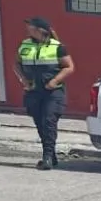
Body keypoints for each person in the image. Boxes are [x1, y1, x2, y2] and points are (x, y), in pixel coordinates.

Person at [16, 17, 74, 170]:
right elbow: (17, 64)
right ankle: (51, 155)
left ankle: (47, 158)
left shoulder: (57, 47)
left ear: (40, 30)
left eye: (31, 26)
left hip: (53, 91)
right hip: (33, 91)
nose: (28, 29)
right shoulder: (25, 45)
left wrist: (54, 81)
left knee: (48, 121)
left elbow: (69, 67)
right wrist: (23, 79)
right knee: (40, 123)